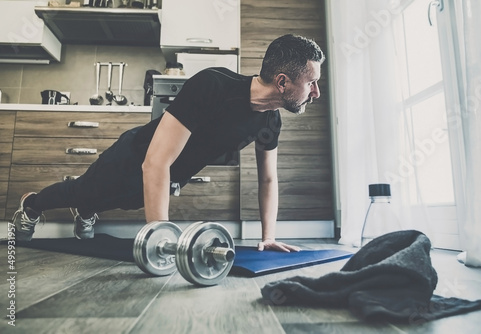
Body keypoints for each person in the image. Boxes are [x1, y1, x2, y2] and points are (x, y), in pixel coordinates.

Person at [12, 34, 325, 252]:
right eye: (311, 82)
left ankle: (86, 209)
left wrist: (268, 237)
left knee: (126, 201)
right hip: (133, 155)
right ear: (283, 81)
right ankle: (32, 205)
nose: (316, 93)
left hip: (170, 174)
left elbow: (268, 179)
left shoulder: (270, 120)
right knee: (84, 190)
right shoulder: (213, 85)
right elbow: (155, 161)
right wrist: (159, 235)